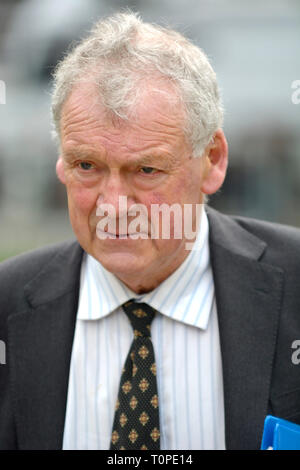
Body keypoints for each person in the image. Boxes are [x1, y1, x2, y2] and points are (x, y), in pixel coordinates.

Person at [1, 11, 300, 451]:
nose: (115, 206)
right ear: (62, 163)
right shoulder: (6, 305)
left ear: (212, 160)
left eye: (146, 169)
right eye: (87, 166)